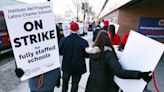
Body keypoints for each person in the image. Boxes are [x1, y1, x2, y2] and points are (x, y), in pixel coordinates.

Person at [85, 30, 152, 92]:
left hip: (91, 86)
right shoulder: (108, 54)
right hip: (105, 88)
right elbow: (119, 72)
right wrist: (141, 74)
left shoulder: (93, 52)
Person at [59, 22, 89, 92]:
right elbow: (87, 55)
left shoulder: (63, 40)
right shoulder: (83, 42)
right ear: (78, 30)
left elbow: (60, 52)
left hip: (66, 66)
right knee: (75, 84)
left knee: (64, 84)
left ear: (70, 29)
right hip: (78, 67)